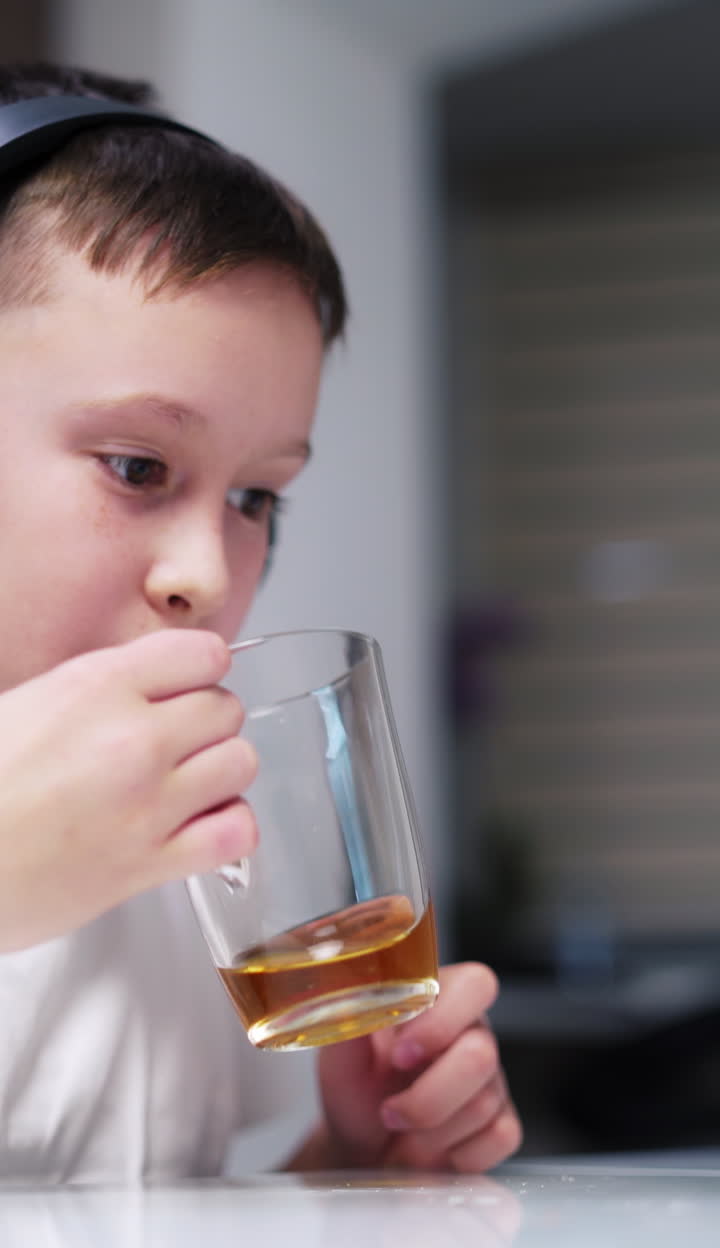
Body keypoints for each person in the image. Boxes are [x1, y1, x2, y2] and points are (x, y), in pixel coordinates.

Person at [0, 61, 522, 1182]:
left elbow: (136, 1235)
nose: (207, 569)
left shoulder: (189, 844)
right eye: (139, 465)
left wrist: (346, 1160)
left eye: (254, 497)